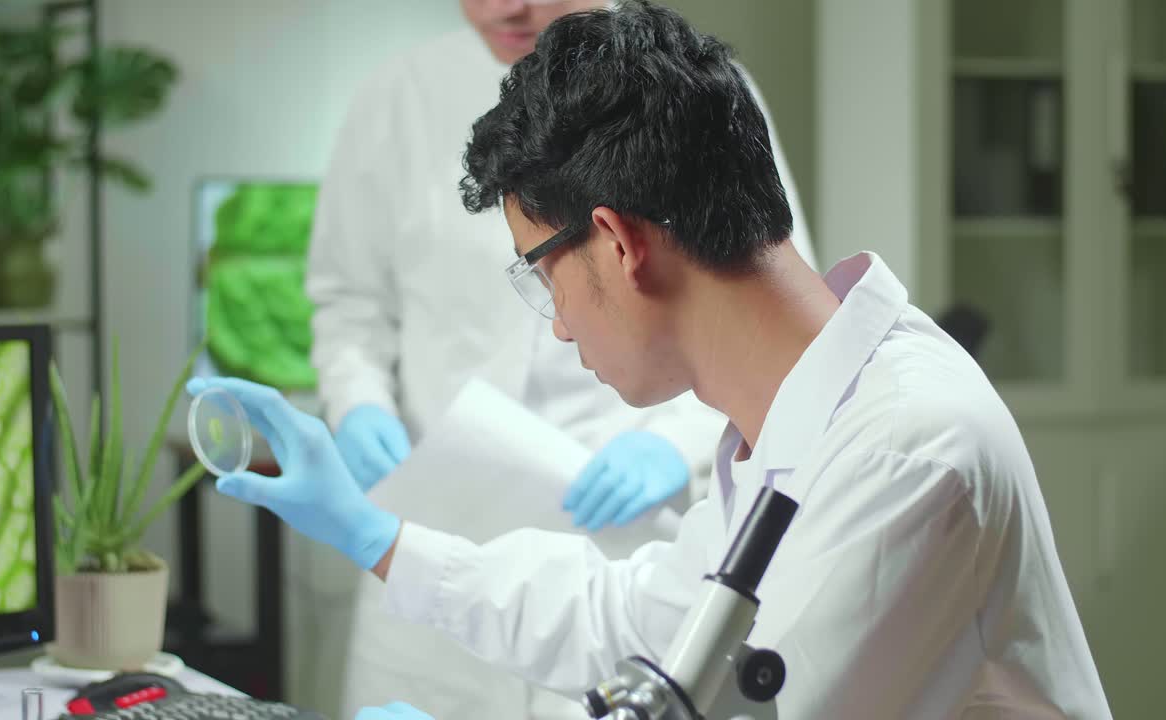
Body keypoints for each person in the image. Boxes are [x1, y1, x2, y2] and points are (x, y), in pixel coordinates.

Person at [193, 1, 1112, 717]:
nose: (554, 326)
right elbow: (639, 621)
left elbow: (734, 707)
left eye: (539, 275)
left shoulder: (904, 453)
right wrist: (374, 533)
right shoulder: (805, 421)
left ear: (618, 243)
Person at [305, 0, 815, 717]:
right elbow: (347, 300)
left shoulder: (685, 89)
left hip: (621, 533)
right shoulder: (397, 95)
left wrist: (675, 447)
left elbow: (765, 303)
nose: (502, 8)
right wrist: (358, 405)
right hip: (441, 521)